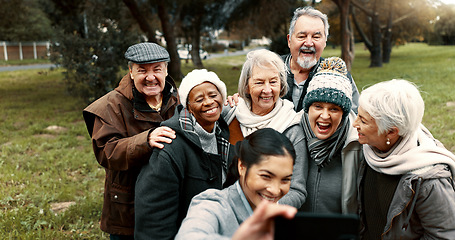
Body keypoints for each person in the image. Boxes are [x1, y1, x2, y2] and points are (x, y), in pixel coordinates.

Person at [82, 42, 179, 239]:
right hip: (127, 208)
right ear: (131, 72)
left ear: (166, 71)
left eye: (157, 69)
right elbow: (106, 152)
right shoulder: (110, 105)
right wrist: (146, 139)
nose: (150, 77)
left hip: (168, 204)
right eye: (142, 70)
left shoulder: (178, 99)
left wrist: (231, 102)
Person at [134, 69, 235, 240]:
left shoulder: (224, 135)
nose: (209, 102)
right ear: (188, 107)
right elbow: (154, 219)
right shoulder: (170, 146)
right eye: (199, 99)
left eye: (213, 95)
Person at [353, 79, 455, 239]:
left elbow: (443, 235)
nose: (354, 124)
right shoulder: (370, 149)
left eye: (363, 121)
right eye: (358, 115)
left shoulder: (430, 181)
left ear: (391, 132)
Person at [175, 128, 297, 239]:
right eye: (266, 176)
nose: (275, 190)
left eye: (285, 180)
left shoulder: (279, 217)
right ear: (242, 166)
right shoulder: (214, 204)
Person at [223, 48, 306, 208]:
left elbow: (297, 191)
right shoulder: (230, 115)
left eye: (273, 81)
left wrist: (260, 207)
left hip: (269, 219)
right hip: (226, 212)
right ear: (246, 86)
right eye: (259, 82)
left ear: (281, 84)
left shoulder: (292, 127)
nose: (267, 90)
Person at [299, 57, 363, 214]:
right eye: (318, 106)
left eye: (334, 109)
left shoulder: (357, 143)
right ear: (308, 108)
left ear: (344, 114)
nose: (325, 116)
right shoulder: (292, 132)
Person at [282, 6, 359, 112]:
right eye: (302, 36)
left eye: (316, 37)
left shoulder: (340, 77)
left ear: (325, 42)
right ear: (289, 40)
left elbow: (354, 119)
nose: (308, 43)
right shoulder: (271, 70)